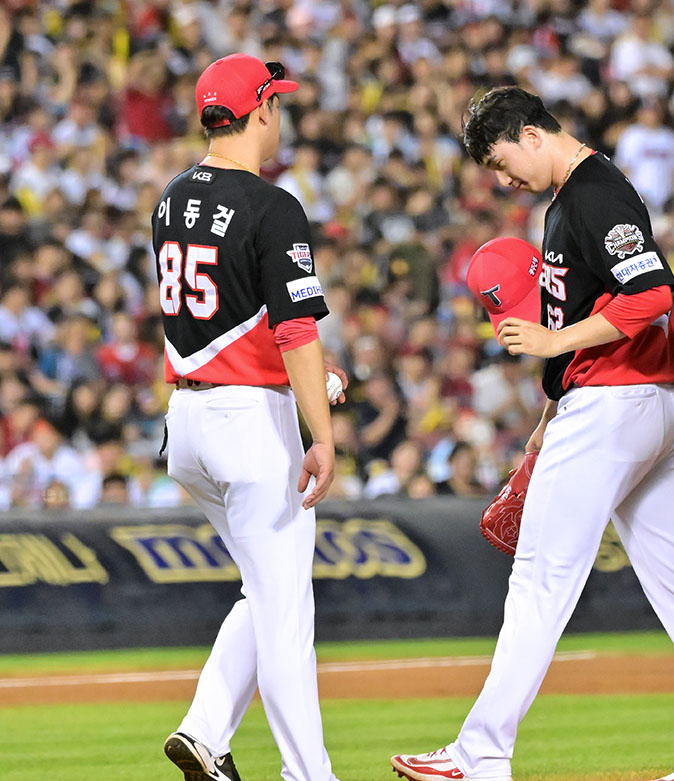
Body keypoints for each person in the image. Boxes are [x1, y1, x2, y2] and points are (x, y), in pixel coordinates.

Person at [390, 86, 674, 781]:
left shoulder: (593, 192)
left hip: (618, 404)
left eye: (501, 162)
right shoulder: (574, 198)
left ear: (532, 135)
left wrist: (552, 340)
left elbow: (652, 295)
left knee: (541, 576)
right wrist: (546, 420)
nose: (503, 179)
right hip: (655, 401)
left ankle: (480, 753)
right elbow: (604, 307)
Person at [153, 54, 346, 781]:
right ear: (261, 109)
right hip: (249, 424)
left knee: (264, 590)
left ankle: (205, 730)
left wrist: (308, 377)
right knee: (286, 609)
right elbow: (294, 329)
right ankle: (309, 775)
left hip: (187, 420)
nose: (279, 114)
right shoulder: (273, 205)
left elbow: (229, 321)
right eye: (276, 102)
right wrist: (322, 433)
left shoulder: (170, 197)